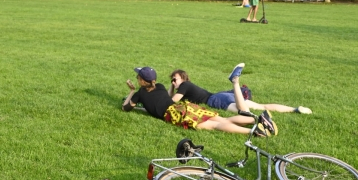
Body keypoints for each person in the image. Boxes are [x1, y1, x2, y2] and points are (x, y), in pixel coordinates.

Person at [122, 65, 277, 136]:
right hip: (185, 107)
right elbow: (166, 98)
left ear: (142, 81)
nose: (136, 78)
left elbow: (125, 108)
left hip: (175, 114)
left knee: (216, 125)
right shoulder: (161, 86)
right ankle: (258, 119)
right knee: (222, 118)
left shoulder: (140, 94)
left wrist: (131, 91)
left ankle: (254, 132)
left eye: (138, 77)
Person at [168, 68, 312, 115]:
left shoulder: (185, 85)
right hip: (224, 95)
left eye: (175, 79)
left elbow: (170, 101)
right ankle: (295, 109)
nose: (174, 82)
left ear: (184, 78)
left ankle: (235, 81)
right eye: (172, 80)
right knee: (262, 106)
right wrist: (172, 86)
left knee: (243, 112)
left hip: (215, 100)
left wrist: (173, 88)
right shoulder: (184, 86)